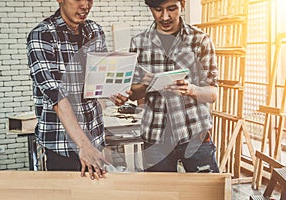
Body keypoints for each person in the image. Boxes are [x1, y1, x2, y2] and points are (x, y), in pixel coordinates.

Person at [27, 0, 128, 179]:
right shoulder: (42, 35)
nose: (85, 5)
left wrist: (111, 91)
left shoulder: (94, 30)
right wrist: (84, 145)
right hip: (62, 148)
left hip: (94, 141)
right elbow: (56, 95)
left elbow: (98, 79)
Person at [127, 0, 220, 172]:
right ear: (150, 8)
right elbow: (132, 94)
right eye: (158, 10)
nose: (165, 17)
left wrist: (191, 89)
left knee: (206, 192)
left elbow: (213, 93)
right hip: (155, 137)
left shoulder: (200, 40)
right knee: (161, 194)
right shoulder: (139, 43)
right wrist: (146, 85)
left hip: (195, 134)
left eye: (172, 9)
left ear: (182, 4)